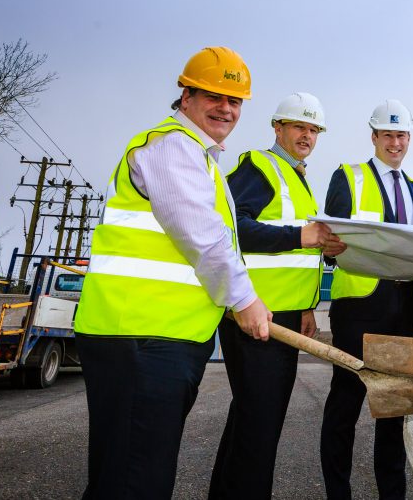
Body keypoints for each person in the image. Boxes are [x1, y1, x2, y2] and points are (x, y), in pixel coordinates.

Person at [74, 47, 273, 499]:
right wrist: (244, 300)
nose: (226, 108)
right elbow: (203, 238)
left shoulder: (201, 158)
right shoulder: (172, 147)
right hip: (141, 337)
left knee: (125, 472)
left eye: (235, 100)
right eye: (213, 96)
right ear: (186, 97)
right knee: (135, 481)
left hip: (156, 338)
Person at [209, 92, 345, 499]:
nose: (307, 135)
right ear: (278, 128)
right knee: (260, 426)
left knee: (251, 421)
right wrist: (302, 235)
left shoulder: (298, 179)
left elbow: (296, 253)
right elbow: (233, 229)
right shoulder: (259, 166)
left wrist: (306, 306)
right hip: (255, 315)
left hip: (283, 315)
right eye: (299, 126)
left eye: (313, 129)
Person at [319, 99, 413, 500]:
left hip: (402, 309)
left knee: (394, 410)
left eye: (401, 136)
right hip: (358, 309)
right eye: (387, 135)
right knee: (345, 406)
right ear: (374, 137)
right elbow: (329, 242)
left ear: (408, 139)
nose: (394, 143)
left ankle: (392, 494)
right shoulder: (348, 177)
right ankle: (337, 493)